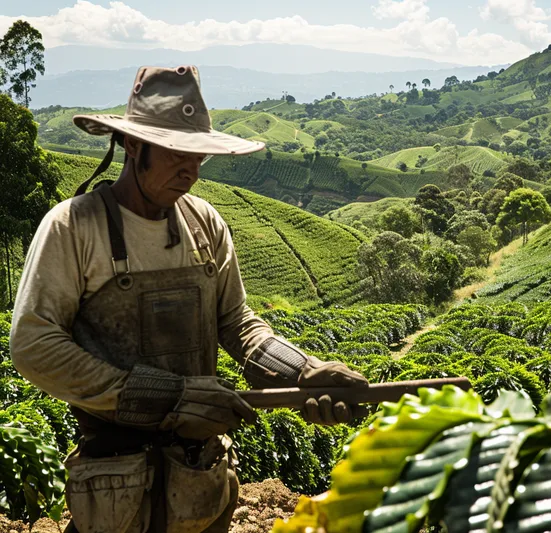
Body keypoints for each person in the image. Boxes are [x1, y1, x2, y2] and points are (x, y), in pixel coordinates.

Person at [9, 65, 368, 533]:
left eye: (199, 155)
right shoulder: (74, 227)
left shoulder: (204, 223)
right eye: (178, 153)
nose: (192, 170)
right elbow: (33, 345)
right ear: (132, 146)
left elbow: (236, 321)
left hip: (199, 479)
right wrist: (169, 397)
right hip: (115, 486)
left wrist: (300, 371)